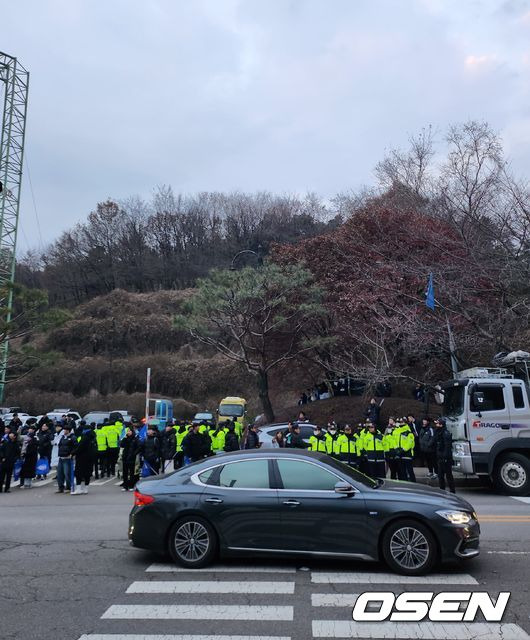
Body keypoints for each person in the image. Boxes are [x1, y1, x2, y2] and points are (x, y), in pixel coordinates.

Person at [73, 423, 97, 494]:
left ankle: (78, 489)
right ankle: (86, 489)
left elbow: (80, 447)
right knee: (87, 473)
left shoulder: (85, 437)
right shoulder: (93, 436)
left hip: (82, 457)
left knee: (78, 473)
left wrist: (73, 453)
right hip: (90, 457)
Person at [434, 418, 455, 493]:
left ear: (441, 424)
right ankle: (442, 490)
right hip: (440, 457)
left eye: (437, 423)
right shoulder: (438, 432)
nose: (436, 425)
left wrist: (445, 457)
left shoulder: (445, 433)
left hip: (445, 458)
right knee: (440, 475)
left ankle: (452, 491)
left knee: (448, 475)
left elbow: (447, 446)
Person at [56, 424, 77, 493]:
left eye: (65, 430)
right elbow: (59, 445)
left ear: (68, 431)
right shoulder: (62, 437)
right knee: (59, 474)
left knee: (67, 473)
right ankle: (60, 487)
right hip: (61, 458)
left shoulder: (73, 437)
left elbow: (75, 446)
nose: (63, 431)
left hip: (67, 458)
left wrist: (72, 454)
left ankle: (68, 487)